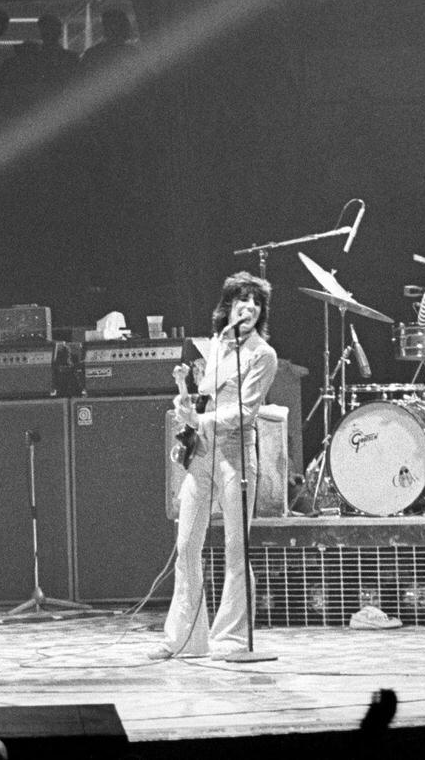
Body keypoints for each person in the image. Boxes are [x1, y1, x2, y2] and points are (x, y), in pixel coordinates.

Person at [153, 272, 278, 660]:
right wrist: (186, 407)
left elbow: (243, 412)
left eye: (256, 301)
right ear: (228, 306)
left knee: (234, 548)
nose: (250, 307)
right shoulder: (218, 346)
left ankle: (232, 640)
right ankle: (185, 639)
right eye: (242, 299)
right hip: (203, 453)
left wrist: (201, 420)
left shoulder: (263, 355)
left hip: (236, 454)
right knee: (187, 542)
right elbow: (207, 400)